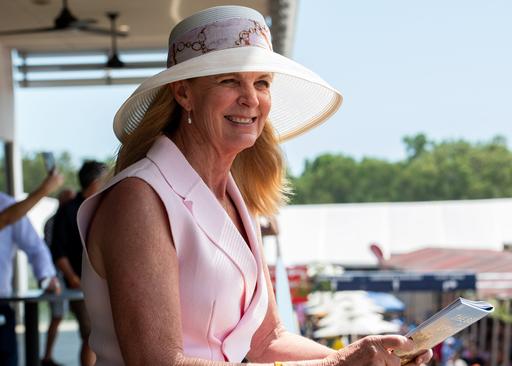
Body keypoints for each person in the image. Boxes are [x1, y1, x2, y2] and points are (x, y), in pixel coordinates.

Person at [78, 5, 433, 366]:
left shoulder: (235, 199)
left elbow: (268, 341)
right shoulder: (138, 198)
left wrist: (375, 359)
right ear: (183, 93)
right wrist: (339, 364)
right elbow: (158, 361)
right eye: (229, 81)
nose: (251, 99)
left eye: (261, 82)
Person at [0, 173, 63, 366]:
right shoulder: (10, 210)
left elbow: (36, 247)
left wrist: (46, 277)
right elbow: (5, 219)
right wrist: (44, 190)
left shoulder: (6, 203)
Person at [52, 161, 106, 366]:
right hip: (78, 286)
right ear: (96, 181)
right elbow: (58, 250)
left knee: (99, 335)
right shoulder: (69, 209)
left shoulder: (104, 205)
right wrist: (73, 278)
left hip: (100, 283)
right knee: (91, 335)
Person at [41, 188, 75, 366]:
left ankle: (47, 356)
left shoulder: (58, 221)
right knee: (57, 315)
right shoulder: (54, 222)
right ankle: (46, 356)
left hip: (62, 276)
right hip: (57, 277)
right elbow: (51, 253)